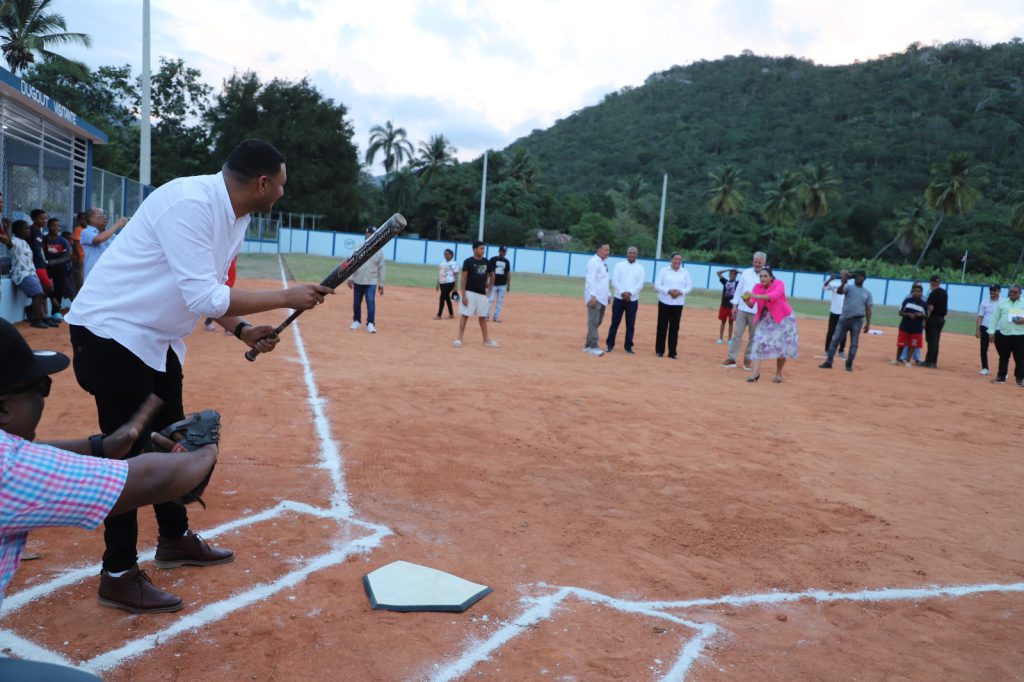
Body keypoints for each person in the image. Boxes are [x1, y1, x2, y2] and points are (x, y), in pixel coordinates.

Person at [64, 139, 332, 614]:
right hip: (111, 334)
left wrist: (245, 330)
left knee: (173, 442)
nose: (282, 194)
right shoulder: (190, 204)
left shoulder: (238, 216)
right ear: (262, 183)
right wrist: (286, 296)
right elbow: (206, 299)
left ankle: (174, 538)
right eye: (282, 185)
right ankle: (118, 573)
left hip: (155, 339)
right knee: (126, 453)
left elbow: (214, 291)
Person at [0, 319, 218, 678]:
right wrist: (204, 451)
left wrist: (98, 446)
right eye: (40, 386)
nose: (42, 395)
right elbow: (145, 481)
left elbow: (29, 454)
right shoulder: (12, 469)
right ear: (4, 408)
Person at [745, 266, 799, 383]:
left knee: (782, 346)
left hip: (783, 318)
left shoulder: (779, 284)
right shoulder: (757, 287)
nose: (762, 278)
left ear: (771, 277)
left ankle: (779, 373)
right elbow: (751, 304)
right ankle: (755, 373)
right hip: (765, 319)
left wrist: (755, 296)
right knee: (758, 343)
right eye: (761, 276)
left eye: (765, 276)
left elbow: (773, 296)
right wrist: (746, 300)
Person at [819, 271, 872, 371]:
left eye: (860, 277)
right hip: (844, 318)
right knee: (835, 340)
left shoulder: (867, 293)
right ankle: (829, 362)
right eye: (857, 276)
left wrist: (868, 323)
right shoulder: (849, 287)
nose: (858, 278)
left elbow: (868, 308)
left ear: (864, 279)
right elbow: (839, 292)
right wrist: (843, 282)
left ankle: (849, 364)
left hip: (857, 320)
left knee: (854, 343)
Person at [722, 251, 766, 370]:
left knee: (753, 337)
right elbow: (739, 290)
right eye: (755, 261)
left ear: (764, 263)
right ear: (753, 261)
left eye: (759, 262)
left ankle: (748, 360)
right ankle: (731, 359)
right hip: (742, 309)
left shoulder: (767, 276)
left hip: (757, 311)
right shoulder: (746, 273)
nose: (757, 264)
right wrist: (734, 306)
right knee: (737, 335)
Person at [10, 220, 55, 328]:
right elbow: (6, 240)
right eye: (25, 229)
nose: (28, 231)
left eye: (28, 228)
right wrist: (6, 230)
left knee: (42, 292)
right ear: (17, 230)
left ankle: (39, 315)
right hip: (22, 274)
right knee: (38, 294)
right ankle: (36, 320)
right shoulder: (13, 240)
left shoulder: (24, 242)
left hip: (30, 273)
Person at [454, 240, 498, 348]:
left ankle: (486, 340)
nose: (483, 251)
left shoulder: (487, 262)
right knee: (465, 315)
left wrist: (490, 289)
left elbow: (492, 275)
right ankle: (459, 338)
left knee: (483, 317)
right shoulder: (468, 261)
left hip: (482, 294)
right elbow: (463, 278)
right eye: (481, 248)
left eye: (484, 249)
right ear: (475, 249)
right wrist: (463, 295)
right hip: (470, 292)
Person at [606, 245, 645, 354]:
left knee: (630, 324)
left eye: (634, 253)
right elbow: (615, 281)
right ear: (627, 254)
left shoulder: (640, 268)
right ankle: (610, 344)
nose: (632, 254)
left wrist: (630, 293)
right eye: (630, 252)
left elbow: (640, 284)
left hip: (633, 300)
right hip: (619, 298)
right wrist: (623, 293)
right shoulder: (619, 265)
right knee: (615, 323)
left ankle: (628, 346)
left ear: (637, 255)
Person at [653, 252, 692, 359]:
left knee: (674, 328)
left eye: (680, 259)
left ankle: (672, 352)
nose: (678, 261)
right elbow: (656, 285)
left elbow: (689, 287)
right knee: (662, 327)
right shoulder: (664, 271)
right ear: (671, 260)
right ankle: (659, 351)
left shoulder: (685, 272)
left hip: (678, 304)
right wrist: (668, 291)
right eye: (676, 259)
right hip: (664, 302)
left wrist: (680, 292)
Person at [349, 226, 386, 333]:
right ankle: (356, 321)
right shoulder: (358, 247)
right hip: (358, 280)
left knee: (370, 301)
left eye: (371, 234)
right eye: (367, 233)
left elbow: (382, 267)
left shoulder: (379, 251)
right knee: (356, 302)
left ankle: (370, 323)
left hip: (371, 281)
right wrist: (351, 277)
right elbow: (352, 263)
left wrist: (381, 283)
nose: (368, 235)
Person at [79, 207, 128, 280]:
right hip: (93, 277)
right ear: (91, 219)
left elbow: (124, 243)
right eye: (100, 215)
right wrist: (117, 225)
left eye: (105, 215)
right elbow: (99, 239)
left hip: (108, 275)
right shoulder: (85, 232)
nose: (104, 217)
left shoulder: (110, 235)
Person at [989, 284, 1024, 386]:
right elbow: (995, 317)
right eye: (1011, 292)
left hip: (1020, 334)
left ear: (1020, 293)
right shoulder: (1002, 303)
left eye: (1015, 292)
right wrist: (991, 331)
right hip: (1005, 334)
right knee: (1003, 356)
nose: (1012, 293)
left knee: (1020, 357)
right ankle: (1001, 377)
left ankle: (1020, 379)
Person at [583, 243, 610, 356]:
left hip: (602, 298)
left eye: (608, 250)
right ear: (599, 250)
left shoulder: (602, 263)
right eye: (605, 250)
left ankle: (588, 345)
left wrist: (608, 294)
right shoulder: (593, 262)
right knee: (593, 322)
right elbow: (590, 280)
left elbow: (604, 281)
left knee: (597, 322)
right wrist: (592, 296)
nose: (607, 252)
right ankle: (594, 346)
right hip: (595, 298)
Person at [43, 217, 75, 313]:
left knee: (59, 290)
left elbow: (67, 257)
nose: (56, 228)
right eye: (53, 225)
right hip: (46, 269)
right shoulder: (43, 239)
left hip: (60, 269)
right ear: (48, 226)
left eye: (58, 226)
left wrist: (52, 262)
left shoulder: (62, 241)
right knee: (46, 289)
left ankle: (55, 312)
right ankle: (39, 311)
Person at [891, 283, 927, 367]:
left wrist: (921, 315)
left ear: (921, 293)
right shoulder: (907, 301)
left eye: (919, 291)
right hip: (904, 326)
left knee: (913, 345)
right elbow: (900, 312)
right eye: (915, 291)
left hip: (916, 328)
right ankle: (897, 359)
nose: (917, 293)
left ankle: (908, 361)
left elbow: (927, 315)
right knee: (901, 344)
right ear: (912, 292)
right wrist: (908, 315)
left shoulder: (923, 304)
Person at [920, 275, 948, 368]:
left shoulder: (933, 293)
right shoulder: (944, 292)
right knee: (936, 341)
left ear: (931, 282)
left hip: (933, 318)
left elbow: (930, 308)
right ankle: (934, 361)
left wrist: (925, 319)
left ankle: (929, 362)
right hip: (941, 319)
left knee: (931, 341)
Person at [204, 257, 237, 333]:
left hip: (230, 278)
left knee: (223, 302)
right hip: (225, 280)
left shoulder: (233, 252)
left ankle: (208, 322)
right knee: (223, 302)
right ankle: (226, 328)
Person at [822, 271, 850, 357]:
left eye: (845, 275)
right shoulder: (834, 284)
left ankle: (841, 351)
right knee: (831, 331)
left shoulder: (850, 286)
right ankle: (827, 350)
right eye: (842, 274)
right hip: (834, 311)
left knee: (843, 333)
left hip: (844, 313)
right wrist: (830, 279)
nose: (843, 276)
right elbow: (824, 287)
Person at [976, 285, 1000, 376]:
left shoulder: (1003, 302)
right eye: (991, 290)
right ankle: (985, 368)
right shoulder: (984, 302)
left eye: (994, 290)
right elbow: (980, 317)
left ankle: (1002, 371)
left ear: (999, 291)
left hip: (998, 329)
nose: (992, 292)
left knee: (1001, 350)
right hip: (985, 327)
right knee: (983, 349)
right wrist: (978, 330)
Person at [488, 245, 511, 322]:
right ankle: (486, 316)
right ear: (499, 251)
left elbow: (508, 273)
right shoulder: (493, 259)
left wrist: (508, 284)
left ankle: (496, 317)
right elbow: (489, 272)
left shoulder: (507, 262)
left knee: (500, 301)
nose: (503, 253)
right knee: (490, 300)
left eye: (504, 252)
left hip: (503, 284)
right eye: (502, 251)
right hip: (493, 283)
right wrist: (486, 281)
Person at [715, 268, 739, 344]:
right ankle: (720, 338)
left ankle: (729, 339)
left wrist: (738, 271)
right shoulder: (725, 282)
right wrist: (729, 269)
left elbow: (745, 278)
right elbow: (718, 273)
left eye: (733, 274)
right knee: (723, 321)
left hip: (732, 307)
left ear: (736, 276)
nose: (732, 275)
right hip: (724, 306)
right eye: (730, 274)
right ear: (728, 275)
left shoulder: (738, 283)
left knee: (731, 322)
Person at [435, 248, 459, 319]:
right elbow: (440, 274)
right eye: (444, 254)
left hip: (450, 283)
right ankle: (451, 314)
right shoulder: (442, 264)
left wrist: (455, 286)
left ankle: (439, 315)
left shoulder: (454, 263)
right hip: (442, 283)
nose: (445, 255)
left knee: (442, 297)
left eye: (446, 254)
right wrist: (437, 283)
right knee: (447, 298)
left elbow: (456, 274)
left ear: (451, 255)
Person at [70, 211, 87, 291]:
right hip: (79, 259)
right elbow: (76, 244)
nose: (84, 221)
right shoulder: (78, 229)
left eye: (86, 219)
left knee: (83, 279)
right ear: (79, 221)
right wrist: (80, 257)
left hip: (85, 259)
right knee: (79, 280)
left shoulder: (87, 230)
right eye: (82, 219)